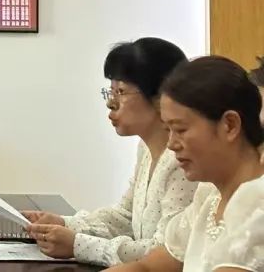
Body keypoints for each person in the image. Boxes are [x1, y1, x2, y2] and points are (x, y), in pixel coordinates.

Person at [25, 38, 196, 265]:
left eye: (121, 92)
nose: (111, 103)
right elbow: (125, 217)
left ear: (161, 96)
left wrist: (78, 245)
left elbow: (165, 252)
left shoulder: (185, 161)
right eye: (110, 92)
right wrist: (64, 224)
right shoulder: (146, 149)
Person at [107, 55, 264, 272]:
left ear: (229, 125)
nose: (171, 144)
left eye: (181, 129)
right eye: (168, 130)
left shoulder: (257, 203)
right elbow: (147, 267)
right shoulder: (208, 196)